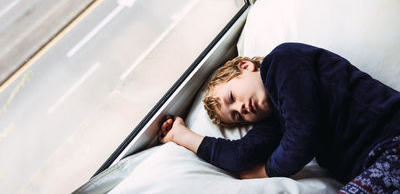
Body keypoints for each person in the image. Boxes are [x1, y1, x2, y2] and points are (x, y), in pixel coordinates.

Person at [158, 42, 400, 193]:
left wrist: (269, 170)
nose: (242, 108)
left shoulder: (283, 61)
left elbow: (305, 132)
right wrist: (181, 135)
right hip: (372, 165)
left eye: (232, 96)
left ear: (245, 66)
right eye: (237, 116)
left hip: (391, 139)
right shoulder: (275, 120)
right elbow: (240, 156)